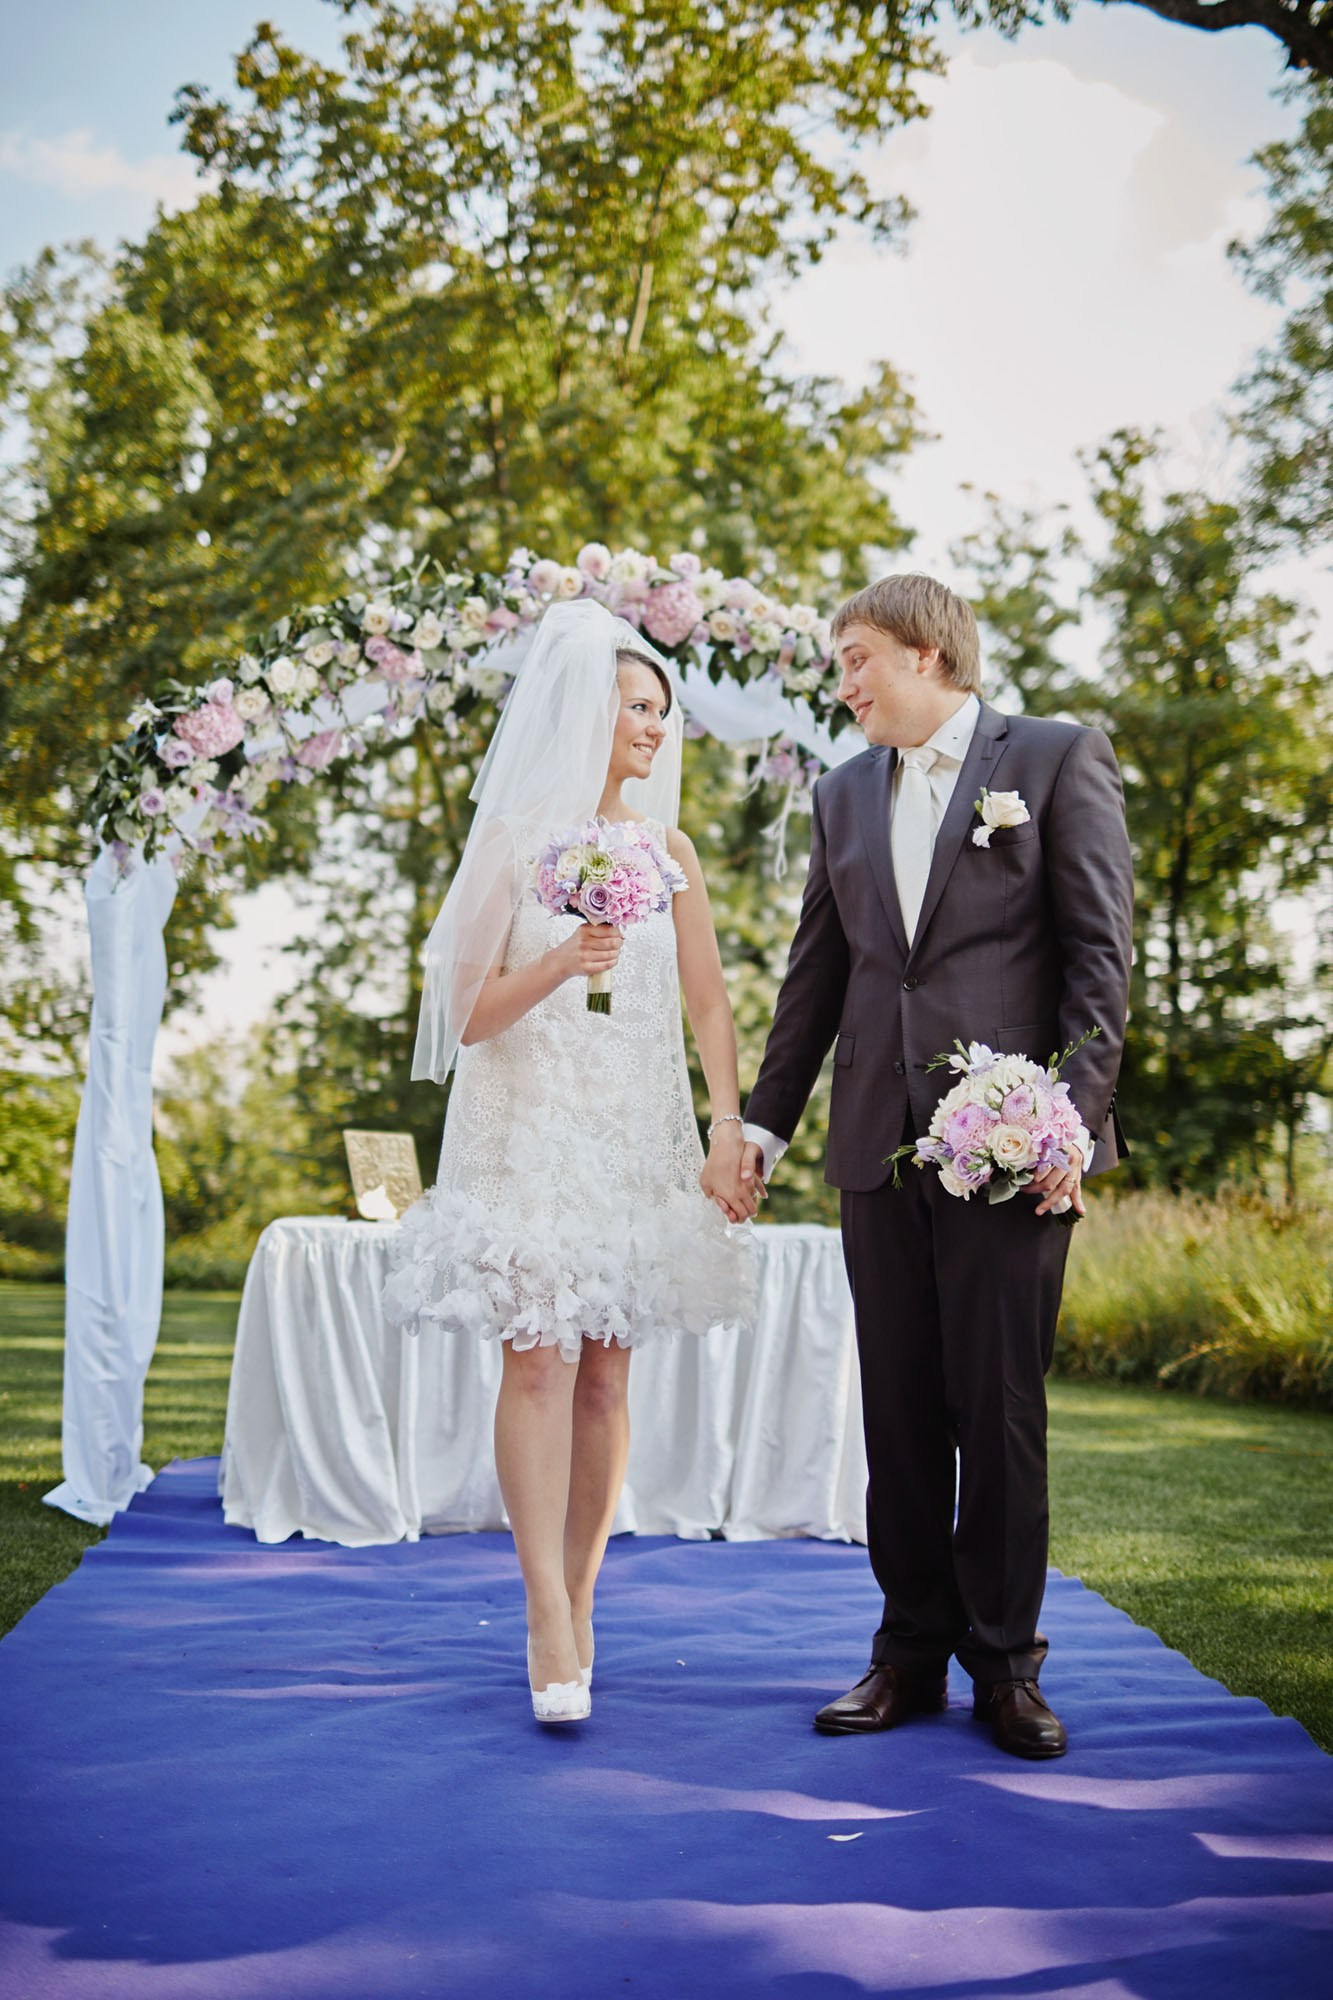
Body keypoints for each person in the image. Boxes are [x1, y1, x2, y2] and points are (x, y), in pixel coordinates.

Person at [742, 573, 1132, 1759]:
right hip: (873, 1145)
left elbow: (1099, 958)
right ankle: (905, 1653)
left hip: (1012, 1155)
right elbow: (820, 976)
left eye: (856, 657)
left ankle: (1007, 1666)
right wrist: (762, 1128)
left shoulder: (1057, 759)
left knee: (999, 1410)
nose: (843, 681)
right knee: (900, 1413)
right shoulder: (841, 792)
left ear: (924, 654)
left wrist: (1067, 1123)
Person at [383, 599, 755, 1725]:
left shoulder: (670, 851)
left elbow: (706, 1001)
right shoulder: (509, 844)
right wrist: (563, 962)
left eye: (660, 707)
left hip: (636, 1135)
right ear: (578, 712)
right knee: (536, 1364)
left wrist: (728, 1126)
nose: (654, 724)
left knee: (606, 1372)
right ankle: (544, 1607)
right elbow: (465, 1018)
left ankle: (585, 1596)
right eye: (633, 705)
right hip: (527, 1133)